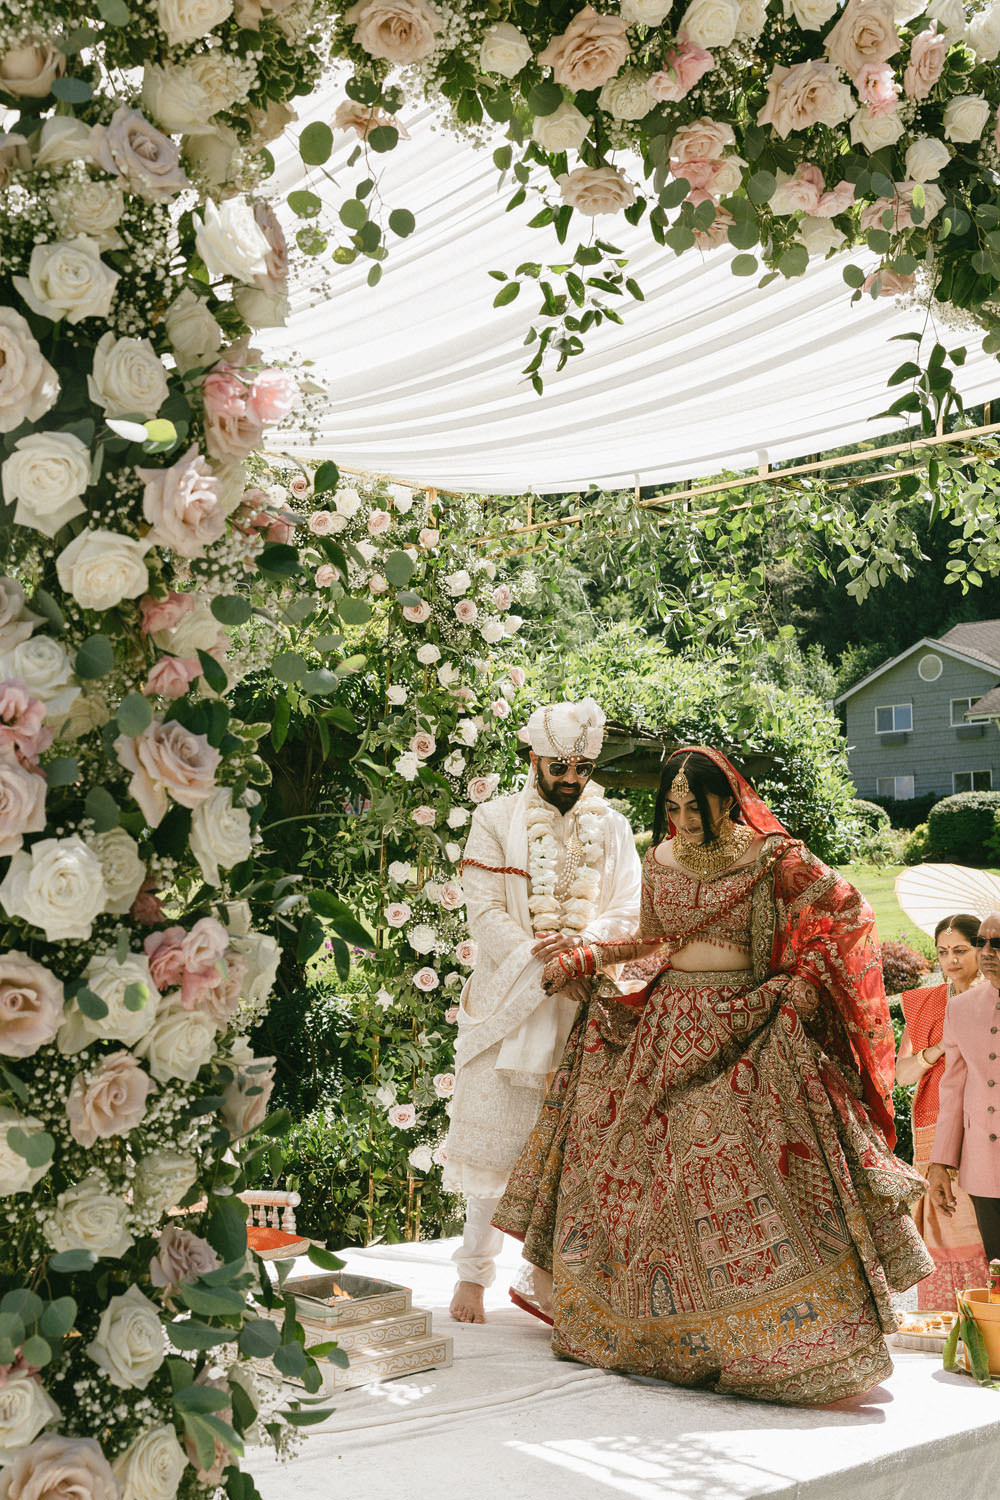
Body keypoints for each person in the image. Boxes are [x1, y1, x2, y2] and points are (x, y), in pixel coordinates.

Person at [494, 746, 932, 1404]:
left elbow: (849, 913)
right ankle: (666, 1337)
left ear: (728, 800)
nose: (682, 820)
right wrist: (590, 958)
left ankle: (781, 1343)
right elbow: (652, 945)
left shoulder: (773, 858)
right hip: (668, 1029)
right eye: (671, 808)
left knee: (745, 1170)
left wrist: (803, 982)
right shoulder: (660, 858)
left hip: (751, 1028)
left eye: (693, 808)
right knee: (646, 1176)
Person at [443, 698, 642, 1324]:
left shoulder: (612, 825)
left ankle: (544, 1279)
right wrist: (543, 962)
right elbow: (485, 914)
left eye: (581, 767)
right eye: (559, 765)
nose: (571, 778)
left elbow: (628, 906)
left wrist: (583, 953)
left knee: (569, 1152)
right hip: (513, 997)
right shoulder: (495, 818)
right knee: (494, 1148)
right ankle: (473, 1276)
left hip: (585, 998)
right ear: (534, 757)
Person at [896, 914, 988, 1308]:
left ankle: (986, 1318)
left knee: (983, 1222)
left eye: (960, 951)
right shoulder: (925, 1003)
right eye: (942, 952)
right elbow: (901, 1075)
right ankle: (949, 1321)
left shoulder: (992, 1002)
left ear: (982, 950)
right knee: (943, 1217)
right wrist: (937, 1050)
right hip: (935, 1125)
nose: (950, 961)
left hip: (984, 1126)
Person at [928, 909, 1000, 1260]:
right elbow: (952, 1090)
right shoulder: (960, 1008)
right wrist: (939, 1161)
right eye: (983, 943)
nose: (988, 952)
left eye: (997, 944)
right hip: (985, 1162)